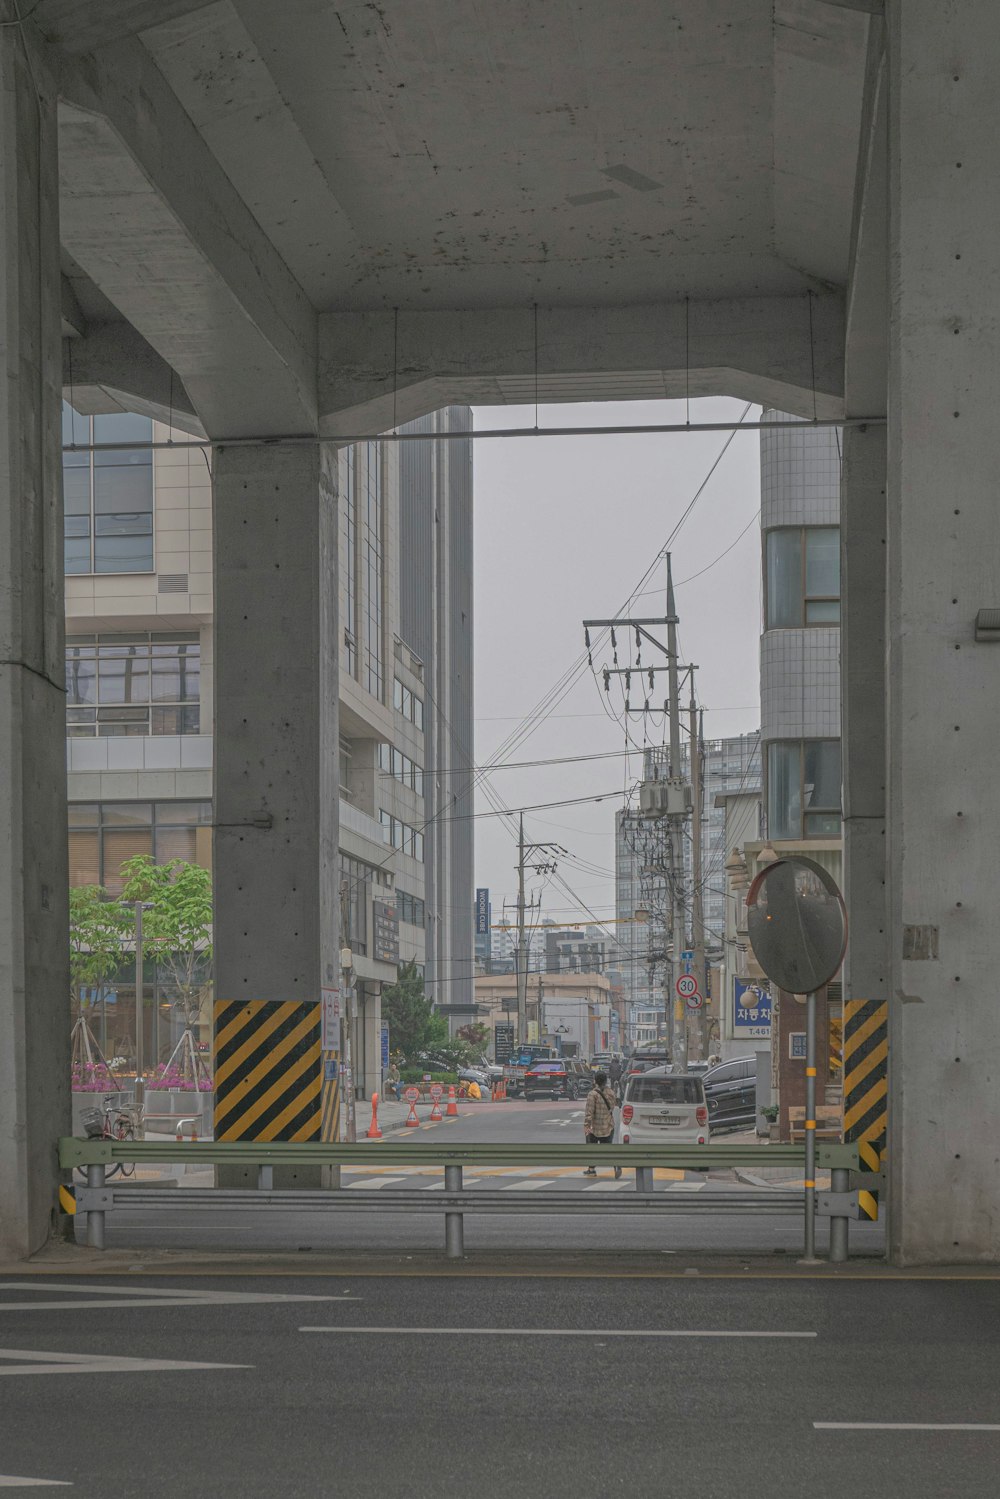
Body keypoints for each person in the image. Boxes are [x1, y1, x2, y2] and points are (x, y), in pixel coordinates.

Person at [583, 1071, 621, 1178]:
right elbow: (612, 1107)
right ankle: (616, 1166)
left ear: (595, 1081)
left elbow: (589, 1112)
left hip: (595, 1127)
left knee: (592, 1149)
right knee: (608, 1149)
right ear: (605, 1081)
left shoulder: (592, 1094)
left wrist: (587, 1125)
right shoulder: (611, 1093)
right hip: (608, 1125)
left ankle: (591, 1169)